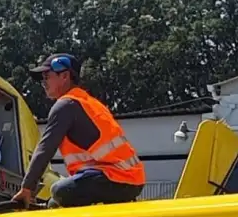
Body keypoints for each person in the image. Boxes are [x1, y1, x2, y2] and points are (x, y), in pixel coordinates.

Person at [11, 53, 145, 208]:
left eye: (47, 76)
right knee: (55, 201)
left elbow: (45, 148)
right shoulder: (88, 102)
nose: (43, 82)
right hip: (128, 179)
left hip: (115, 178)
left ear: (65, 76)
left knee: (59, 190)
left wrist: (27, 188)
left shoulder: (66, 105)